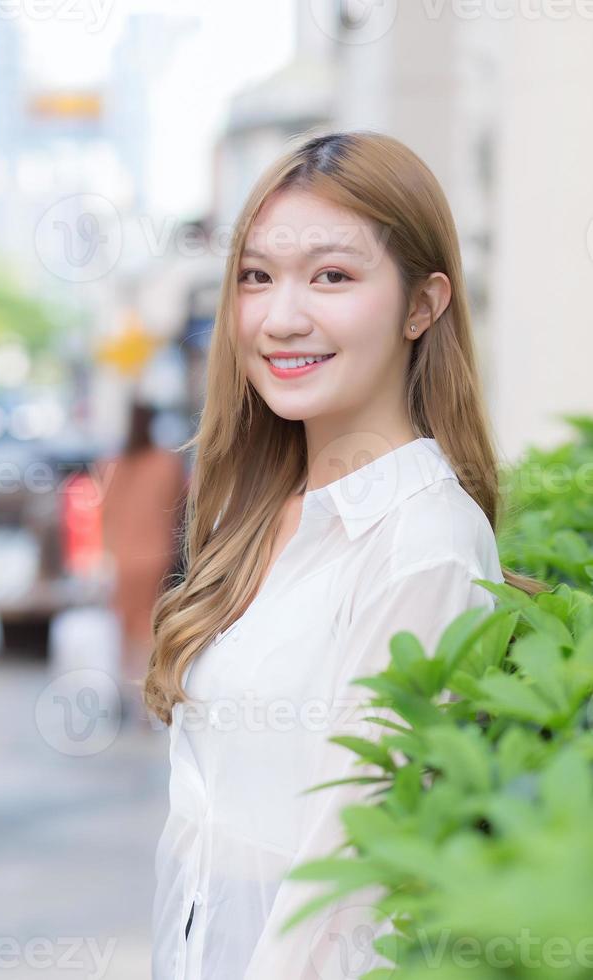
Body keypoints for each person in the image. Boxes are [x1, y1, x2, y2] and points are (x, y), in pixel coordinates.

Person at [143, 131, 546, 978]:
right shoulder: (260, 515)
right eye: (257, 276)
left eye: (332, 275)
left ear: (421, 305)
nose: (280, 316)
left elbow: (348, 883)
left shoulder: (422, 546)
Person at [100, 400, 187, 719]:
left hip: (122, 557)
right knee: (151, 627)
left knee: (124, 629)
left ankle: (126, 694)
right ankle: (148, 699)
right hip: (156, 556)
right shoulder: (167, 463)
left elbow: (105, 513)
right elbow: (180, 508)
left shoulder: (112, 464)